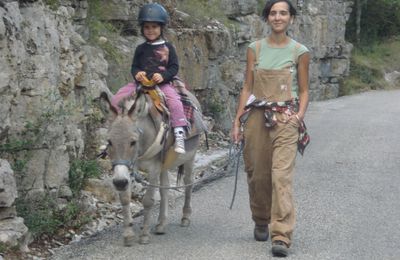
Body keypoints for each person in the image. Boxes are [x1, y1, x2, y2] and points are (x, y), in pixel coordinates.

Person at [231, 0, 310, 257]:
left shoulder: (300, 51)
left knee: (281, 177)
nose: (278, 17)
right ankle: (261, 218)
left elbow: (305, 90)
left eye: (283, 13)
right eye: (273, 13)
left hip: (286, 119)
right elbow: (247, 87)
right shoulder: (255, 49)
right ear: (267, 18)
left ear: (291, 18)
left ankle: (281, 235)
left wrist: (298, 116)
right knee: (258, 173)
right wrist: (237, 122)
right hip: (255, 117)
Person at [112, 3, 187, 154]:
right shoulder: (140, 49)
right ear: (142, 29)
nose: (150, 30)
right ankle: (114, 133)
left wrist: (163, 76)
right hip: (141, 84)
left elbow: (174, 67)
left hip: (162, 85)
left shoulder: (168, 47)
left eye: (154, 27)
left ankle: (179, 134)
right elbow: (134, 66)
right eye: (147, 27)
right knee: (117, 98)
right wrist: (137, 74)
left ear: (161, 28)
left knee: (175, 103)